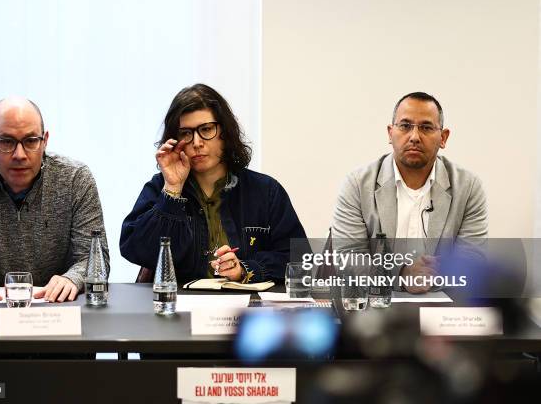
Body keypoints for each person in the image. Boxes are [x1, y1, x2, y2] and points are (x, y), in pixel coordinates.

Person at [120, 84, 306, 283]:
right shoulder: (161, 188)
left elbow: (300, 261)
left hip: (245, 309)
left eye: (206, 129)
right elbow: (135, 250)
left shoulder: (265, 191)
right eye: (186, 133)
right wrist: (172, 192)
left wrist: (245, 270)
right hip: (180, 306)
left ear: (225, 132)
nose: (197, 142)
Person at [0, 96, 109, 304]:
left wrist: (72, 279)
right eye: (7, 141)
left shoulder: (75, 178)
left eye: (31, 141)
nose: (19, 154)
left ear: (45, 140)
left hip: (59, 307)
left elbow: (95, 256)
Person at [331, 92, 488, 293]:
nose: (414, 137)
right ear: (390, 133)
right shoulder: (357, 184)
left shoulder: (468, 186)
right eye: (405, 126)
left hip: (442, 310)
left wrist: (430, 277)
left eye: (426, 127)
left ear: (443, 137)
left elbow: (471, 260)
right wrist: (402, 275)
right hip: (373, 306)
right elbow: (348, 259)